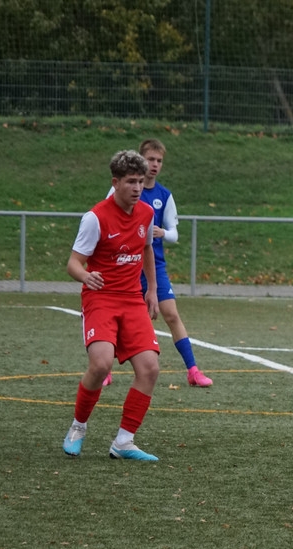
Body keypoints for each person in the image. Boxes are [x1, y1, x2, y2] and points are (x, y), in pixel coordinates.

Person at [62, 150, 162, 462]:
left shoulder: (146, 213)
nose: (137, 187)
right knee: (101, 364)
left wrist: (152, 290)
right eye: (131, 181)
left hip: (132, 299)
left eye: (141, 181)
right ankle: (78, 427)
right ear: (115, 182)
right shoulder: (95, 218)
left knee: (150, 368)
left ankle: (124, 441)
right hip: (101, 298)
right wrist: (86, 276)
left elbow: (146, 250)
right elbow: (73, 263)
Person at [103, 138, 213, 388]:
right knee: (118, 318)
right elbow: (105, 217)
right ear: (140, 160)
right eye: (150, 159)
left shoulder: (164, 195)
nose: (154, 165)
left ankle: (193, 371)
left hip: (154, 266)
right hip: (125, 265)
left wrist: (162, 232)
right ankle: (105, 371)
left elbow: (174, 233)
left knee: (171, 314)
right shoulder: (121, 190)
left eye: (159, 161)